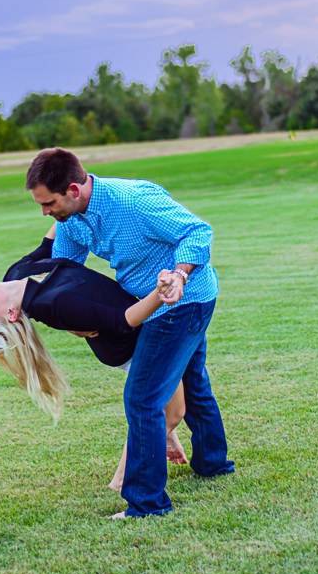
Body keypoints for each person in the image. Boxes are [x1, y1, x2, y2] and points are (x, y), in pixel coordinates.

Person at [24, 147, 234, 518]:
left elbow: (198, 232)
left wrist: (180, 275)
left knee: (142, 398)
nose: (45, 213)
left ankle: (147, 504)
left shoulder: (133, 203)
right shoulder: (73, 220)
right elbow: (65, 270)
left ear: (73, 190)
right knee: (194, 382)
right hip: (152, 303)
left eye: (48, 203)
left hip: (185, 300)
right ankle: (213, 463)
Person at [0, 225, 189, 490]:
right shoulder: (55, 303)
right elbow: (124, 320)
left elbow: (48, 246)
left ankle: (163, 439)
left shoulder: (14, 276)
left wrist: (70, 197)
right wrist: (161, 292)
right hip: (129, 348)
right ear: (11, 315)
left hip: (127, 339)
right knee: (173, 413)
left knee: (167, 410)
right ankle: (120, 481)